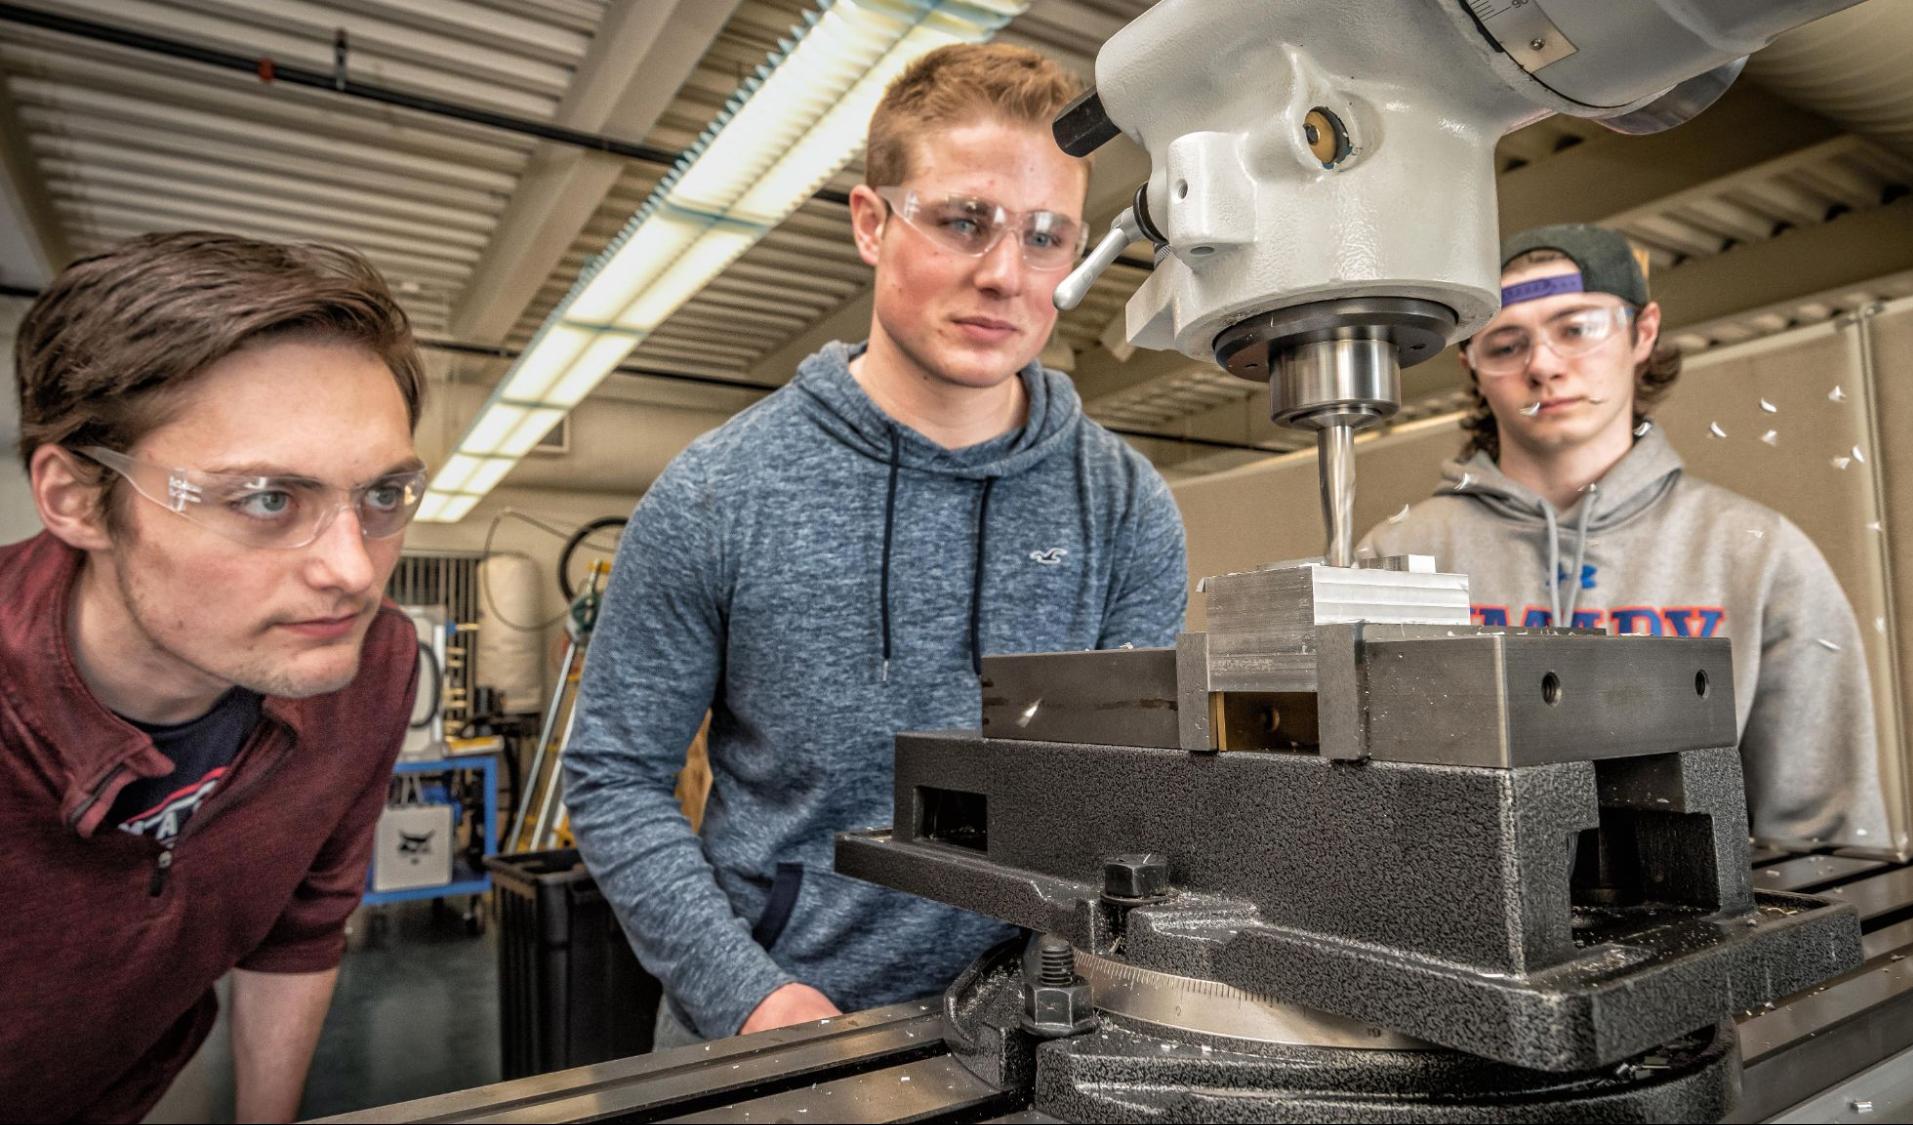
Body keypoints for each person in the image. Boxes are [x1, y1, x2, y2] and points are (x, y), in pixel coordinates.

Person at [563, 42, 1188, 1044]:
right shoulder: (719, 493)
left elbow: (1128, 795)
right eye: (961, 222)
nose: (1002, 274)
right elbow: (614, 779)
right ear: (870, 223)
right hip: (772, 1029)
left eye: (1044, 236)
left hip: (1036, 1034)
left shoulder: (1123, 504)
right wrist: (749, 997)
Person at [0, 231, 430, 1122]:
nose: (353, 571)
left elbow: (302, 927)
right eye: (269, 499)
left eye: (382, 497)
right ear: (75, 498)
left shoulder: (366, 666)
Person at [1359, 223, 1887, 846]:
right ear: (1471, 366)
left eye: (1576, 328)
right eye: (1505, 343)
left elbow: (1822, 838)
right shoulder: (1396, 558)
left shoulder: (1758, 553)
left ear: (1643, 333)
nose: (1544, 365)